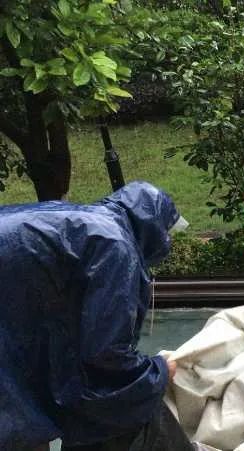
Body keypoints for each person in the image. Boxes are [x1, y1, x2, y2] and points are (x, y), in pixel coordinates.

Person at [0, 182, 193, 451]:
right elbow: (105, 353)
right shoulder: (114, 245)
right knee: (20, 427)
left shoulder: (87, 226)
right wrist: (158, 370)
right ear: (154, 227)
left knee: (24, 419)